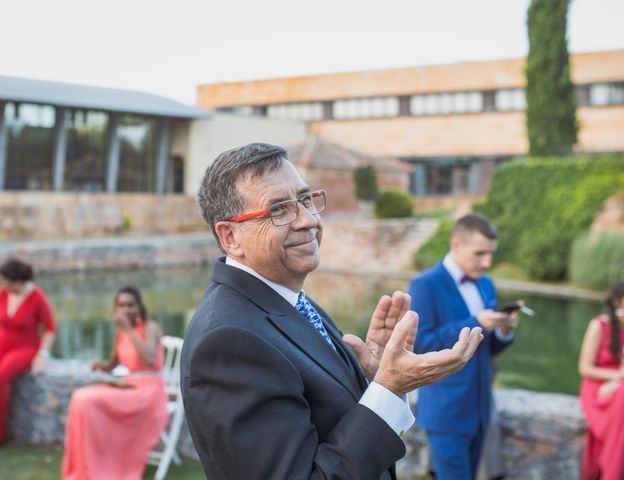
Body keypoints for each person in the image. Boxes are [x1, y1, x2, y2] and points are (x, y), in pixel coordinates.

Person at [180, 142, 484, 480]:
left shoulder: (286, 298)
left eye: (306, 199)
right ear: (230, 236)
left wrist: (374, 379)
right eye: (279, 209)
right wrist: (390, 388)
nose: (308, 220)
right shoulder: (228, 340)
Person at [409, 213, 519, 480]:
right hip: (446, 410)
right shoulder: (425, 284)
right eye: (480, 254)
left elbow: (485, 349)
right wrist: (474, 321)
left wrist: (502, 332)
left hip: (481, 409)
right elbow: (421, 344)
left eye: (491, 254)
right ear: (457, 244)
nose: (487, 262)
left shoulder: (486, 283)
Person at [61, 286, 168, 480]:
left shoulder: (149, 328)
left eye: (130, 305)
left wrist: (128, 329)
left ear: (139, 306)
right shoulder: (121, 333)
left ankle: (103, 464)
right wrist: (102, 366)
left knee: (86, 400)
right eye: (121, 305)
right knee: (80, 397)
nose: (125, 309)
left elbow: (149, 359)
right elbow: (113, 364)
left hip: (149, 392)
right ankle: (89, 462)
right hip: (129, 386)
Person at [0, 258, 56, 447]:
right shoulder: (2, 293)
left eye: (4, 280)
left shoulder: (37, 297)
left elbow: (50, 329)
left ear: (16, 280)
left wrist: (42, 355)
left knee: (0, 376)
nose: (1, 283)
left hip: (25, 347)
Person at [578, 280, 624, 480]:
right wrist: (617, 377)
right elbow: (585, 368)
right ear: (617, 302)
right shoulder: (599, 325)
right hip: (598, 385)